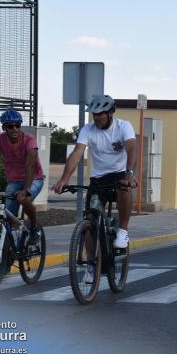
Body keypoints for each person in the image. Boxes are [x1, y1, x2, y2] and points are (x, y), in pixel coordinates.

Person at [52, 94, 137, 249]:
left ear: (111, 113)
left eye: (100, 114)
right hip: (98, 179)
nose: (96, 118)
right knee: (90, 221)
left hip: (119, 175)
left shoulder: (123, 126)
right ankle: (90, 265)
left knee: (125, 188)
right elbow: (77, 153)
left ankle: (123, 230)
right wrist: (64, 179)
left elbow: (131, 148)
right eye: (94, 114)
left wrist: (129, 172)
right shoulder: (88, 129)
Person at [0, 109, 45, 273]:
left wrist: (26, 189)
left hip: (34, 178)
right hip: (13, 181)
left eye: (17, 125)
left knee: (25, 199)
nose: (14, 129)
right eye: (10, 126)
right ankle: (6, 261)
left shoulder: (30, 140)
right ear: (4, 127)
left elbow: (30, 166)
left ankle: (34, 227)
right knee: (7, 223)